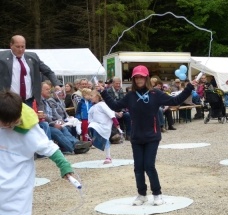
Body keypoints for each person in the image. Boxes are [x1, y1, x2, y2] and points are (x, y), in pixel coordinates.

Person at [97, 65, 197, 206]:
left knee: (149, 166)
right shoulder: (130, 95)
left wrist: (189, 87)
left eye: (141, 77)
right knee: (138, 167)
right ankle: (141, 194)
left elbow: (174, 101)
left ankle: (157, 194)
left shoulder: (155, 94)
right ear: (133, 79)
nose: (139, 79)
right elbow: (115, 106)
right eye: (136, 77)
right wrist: (104, 92)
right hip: (136, 137)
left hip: (152, 136)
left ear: (146, 78)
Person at [0, 90, 74, 215]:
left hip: (17, 196)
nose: (9, 126)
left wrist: (65, 167)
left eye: (13, 122)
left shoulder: (29, 129)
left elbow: (49, 148)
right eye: (5, 123)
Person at [0, 35, 62, 110]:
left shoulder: (33, 57)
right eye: (17, 46)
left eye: (23, 46)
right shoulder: (2, 57)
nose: (20, 49)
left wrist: (56, 84)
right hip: (10, 102)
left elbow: (48, 71)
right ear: (11, 45)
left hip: (29, 101)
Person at [41, 82, 90, 154]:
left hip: (52, 122)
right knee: (57, 131)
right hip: (45, 125)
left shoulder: (47, 101)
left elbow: (54, 114)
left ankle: (77, 143)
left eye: (49, 89)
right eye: (47, 89)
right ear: (40, 91)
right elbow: (44, 115)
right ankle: (73, 148)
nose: (49, 91)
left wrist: (65, 119)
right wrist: (55, 123)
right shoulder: (42, 102)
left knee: (64, 128)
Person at [88, 90, 120, 164]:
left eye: (91, 96)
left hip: (105, 126)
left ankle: (108, 156)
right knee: (91, 126)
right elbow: (90, 118)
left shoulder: (102, 104)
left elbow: (110, 113)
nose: (90, 97)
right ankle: (93, 140)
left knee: (106, 140)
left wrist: (116, 122)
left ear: (97, 97)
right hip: (97, 125)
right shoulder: (91, 108)